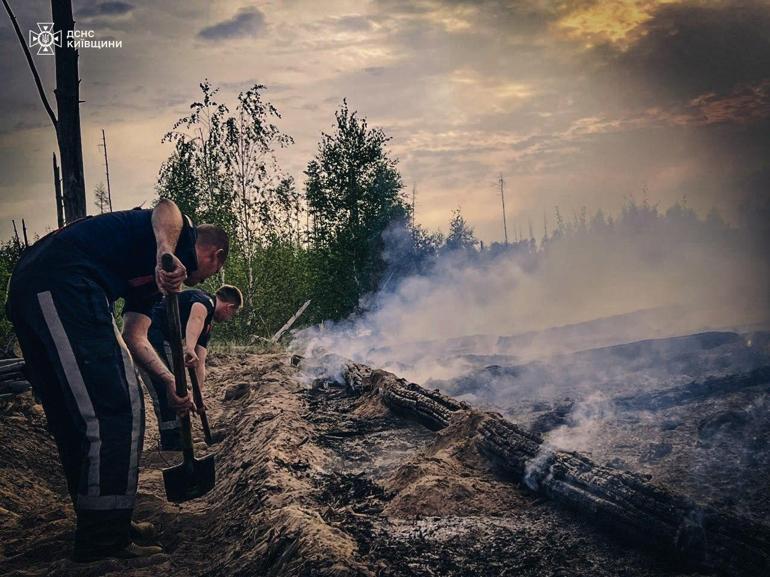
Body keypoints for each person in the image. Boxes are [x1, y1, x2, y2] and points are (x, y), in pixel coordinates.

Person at [5, 200, 228, 562]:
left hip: (43, 285)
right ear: (215, 256)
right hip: (61, 279)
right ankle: (103, 540)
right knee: (116, 407)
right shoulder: (177, 234)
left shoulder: (155, 283)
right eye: (209, 274)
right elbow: (166, 207)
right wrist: (165, 254)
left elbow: (135, 336)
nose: (201, 282)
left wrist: (169, 380)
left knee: (75, 412)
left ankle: (105, 520)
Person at [140, 285, 242, 450]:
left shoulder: (207, 327)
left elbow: (200, 362)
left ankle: (179, 435)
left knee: (177, 389)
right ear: (229, 307)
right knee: (166, 388)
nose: (229, 318)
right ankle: (172, 439)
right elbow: (196, 317)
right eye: (232, 314)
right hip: (150, 335)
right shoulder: (204, 300)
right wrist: (189, 348)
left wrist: (198, 394)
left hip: (164, 340)